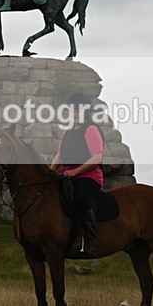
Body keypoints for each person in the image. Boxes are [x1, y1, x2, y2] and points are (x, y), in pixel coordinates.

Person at [50, 92, 104, 254]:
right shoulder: (67, 132)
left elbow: (97, 157)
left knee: (80, 198)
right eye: (72, 110)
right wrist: (50, 173)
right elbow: (59, 156)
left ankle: (89, 242)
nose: (74, 113)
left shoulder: (91, 129)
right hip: (68, 175)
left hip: (88, 176)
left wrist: (75, 172)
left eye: (77, 110)